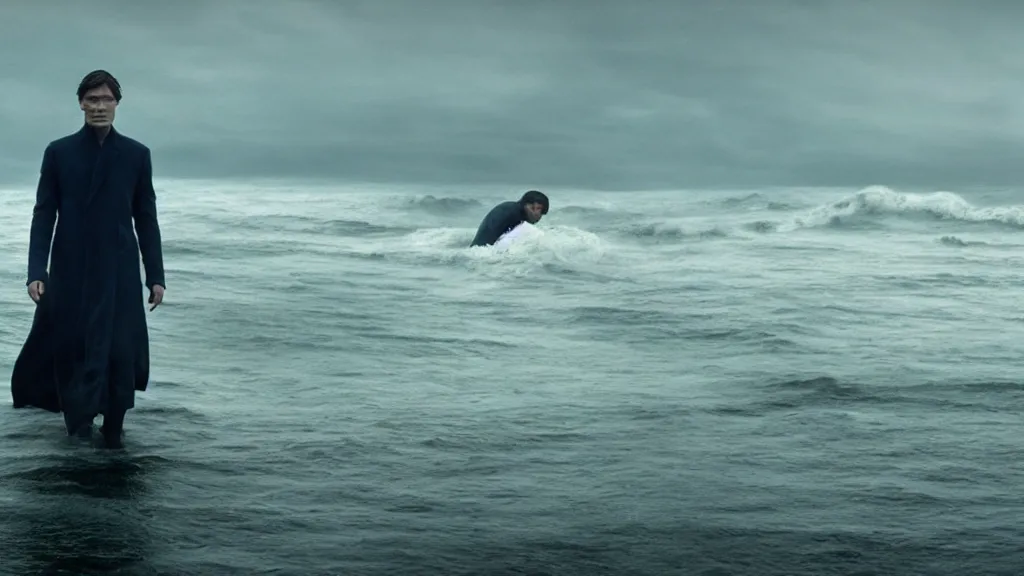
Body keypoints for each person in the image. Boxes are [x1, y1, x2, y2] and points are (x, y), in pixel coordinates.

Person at [9, 70, 166, 449]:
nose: (98, 106)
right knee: (72, 346)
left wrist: (155, 276)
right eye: (91, 99)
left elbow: (145, 217)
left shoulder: (135, 154)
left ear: (117, 104)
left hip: (119, 271)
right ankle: (77, 427)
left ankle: (114, 427)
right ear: (80, 103)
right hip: (71, 269)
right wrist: (36, 271)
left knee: (119, 349)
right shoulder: (59, 152)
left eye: (106, 99)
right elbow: (44, 213)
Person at [469, 190, 550, 247]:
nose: (539, 217)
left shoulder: (510, 208)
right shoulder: (516, 216)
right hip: (483, 256)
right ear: (534, 207)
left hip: (477, 251)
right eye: (541, 212)